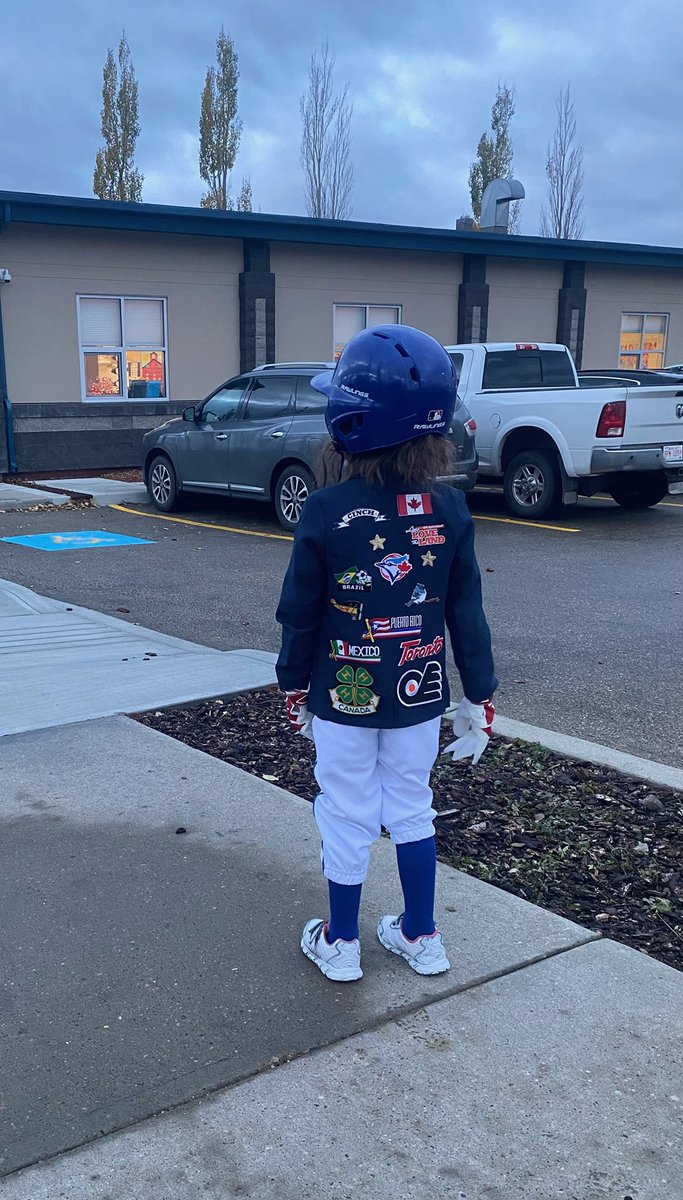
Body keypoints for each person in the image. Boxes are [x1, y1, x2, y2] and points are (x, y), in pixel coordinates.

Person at [275, 324, 497, 983]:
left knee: (344, 808)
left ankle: (341, 942)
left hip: (341, 696)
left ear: (349, 421)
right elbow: (466, 611)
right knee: (409, 806)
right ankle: (420, 935)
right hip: (418, 695)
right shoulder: (451, 508)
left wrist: (292, 685)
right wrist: (479, 695)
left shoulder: (324, 510)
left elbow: (300, 613)